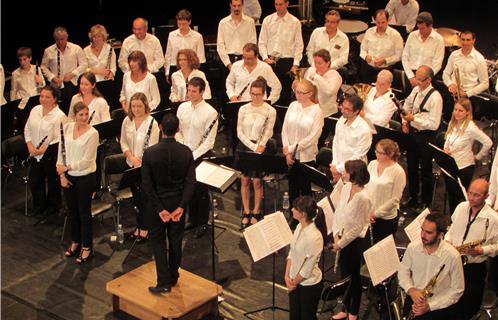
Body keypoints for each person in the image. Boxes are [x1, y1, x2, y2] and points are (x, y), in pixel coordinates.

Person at [141, 112, 196, 294]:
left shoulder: (149, 153)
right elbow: (190, 182)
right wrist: (181, 206)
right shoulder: (186, 152)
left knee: (157, 242)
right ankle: (173, 276)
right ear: (178, 130)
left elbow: (147, 186)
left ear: (160, 128)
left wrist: (159, 209)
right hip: (178, 203)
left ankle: (163, 282)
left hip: (157, 205)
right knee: (175, 240)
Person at [445, 179, 498, 320]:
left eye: (476, 195)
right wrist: (447, 241)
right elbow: (451, 228)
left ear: (486, 196)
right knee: (450, 301)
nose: (471, 198)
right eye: (470, 193)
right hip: (454, 261)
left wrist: (482, 250)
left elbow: (497, 246)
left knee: (468, 306)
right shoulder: (461, 207)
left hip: (474, 268)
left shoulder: (493, 219)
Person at [398, 212, 465, 319]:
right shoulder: (412, 247)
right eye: (422, 230)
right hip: (414, 299)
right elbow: (403, 271)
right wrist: (411, 290)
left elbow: (457, 290)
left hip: (439, 306)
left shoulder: (453, 256)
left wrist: (430, 306)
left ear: (440, 235)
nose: (422, 235)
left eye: (428, 232)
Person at [57, 102, 99, 264]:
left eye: (86, 114)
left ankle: (87, 247)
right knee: (72, 211)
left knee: (84, 213)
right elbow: (61, 151)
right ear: (74, 115)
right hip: (67, 176)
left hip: (85, 177)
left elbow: (86, 161)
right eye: (80, 115)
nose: (84, 118)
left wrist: (66, 167)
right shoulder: (67, 128)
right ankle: (75, 242)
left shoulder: (93, 133)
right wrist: (62, 174)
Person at [176, 77, 218, 239]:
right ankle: (192, 219)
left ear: (202, 92)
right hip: (185, 152)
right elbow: (178, 130)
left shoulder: (210, 112)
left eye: (194, 91)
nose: (190, 93)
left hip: (200, 155)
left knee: (201, 191)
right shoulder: (182, 107)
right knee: (188, 190)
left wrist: (192, 155)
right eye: (189, 90)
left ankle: (202, 222)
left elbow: (209, 142)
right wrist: (183, 147)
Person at [331, 160, 372, 320]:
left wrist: (339, 244)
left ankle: (353, 313)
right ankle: (345, 308)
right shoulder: (346, 187)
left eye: (347, 171)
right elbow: (338, 212)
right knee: (344, 277)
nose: (344, 173)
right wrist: (335, 234)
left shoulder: (364, 198)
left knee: (353, 279)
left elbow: (356, 228)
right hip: (341, 237)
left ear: (354, 175)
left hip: (354, 243)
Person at [237, 78, 276, 228]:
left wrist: (261, 145)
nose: (255, 97)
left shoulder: (270, 111)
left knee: (257, 181)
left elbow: (268, 131)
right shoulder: (243, 109)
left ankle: (256, 210)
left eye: (258, 94)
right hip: (245, 146)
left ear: (264, 94)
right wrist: (252, 147)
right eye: (252, 94)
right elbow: (239, 132)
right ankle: (246, 211)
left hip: (261, 147)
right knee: (245, 179)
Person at [401, 65, 442, 209]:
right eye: (416, 78)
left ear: (429, 79)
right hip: (413, 133)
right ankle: (412, 196)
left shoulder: (436, 98)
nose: (416, 82)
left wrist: (414, 120)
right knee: (411, 167)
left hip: (426, 136)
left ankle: (426, 201)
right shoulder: (416, 90)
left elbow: (434, 124)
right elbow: (406, 106)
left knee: (426, 170)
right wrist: (405, 122)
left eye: (420, 79)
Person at [120, 92, 160, 241]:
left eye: (139, 106)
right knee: (136, 199)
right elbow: (123, 142)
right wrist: (130, 157)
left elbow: (153, 146)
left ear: (145, 106)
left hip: (146, 167)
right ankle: (139, 225)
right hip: (131, 165)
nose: (136, 109)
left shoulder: (152, 123)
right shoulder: (127, 121)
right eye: (133, 106)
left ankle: (146, 228)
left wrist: (142, 161)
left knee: (146, 199)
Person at [24, 86, 67, 217]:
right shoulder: (35, 110)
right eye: (41, 96)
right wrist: (30, 146)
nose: (43, 99)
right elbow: (27, 129)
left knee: (53, 182)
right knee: (35, 181)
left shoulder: (60, 116)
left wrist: (43, 149)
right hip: (34, 152)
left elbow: (58, 137)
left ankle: (53, 208)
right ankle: (39, 207)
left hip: (50, 153)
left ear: (54, 99)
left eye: (47, 97)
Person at [443, 98, 492, 212]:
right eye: (455, 109)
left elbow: (488, 142)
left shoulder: (470, 127)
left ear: (467, 112)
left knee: (459, 198)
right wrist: (446, 148)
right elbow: (448, 138)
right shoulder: (452, 123)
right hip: (451, 164)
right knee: (451, 195)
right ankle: (452, 220)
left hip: (464, 166)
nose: (456, 113)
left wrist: (478, 157)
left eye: (460, 111)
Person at [282, 80, 323, 212]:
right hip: (290, 155)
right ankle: (294, 215)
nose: (297, 95)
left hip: (307, 155)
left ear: (310, 94)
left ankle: (306, 216)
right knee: (292, 186)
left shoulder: (317, 111)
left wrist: (292, 148)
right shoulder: (293, 105)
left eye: (301, 93)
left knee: (305, 189)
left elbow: (313, 136)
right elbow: (285, 129)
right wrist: (287, 151)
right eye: (296, 92)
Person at [285, 196, 327, 320]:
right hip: (294, 281)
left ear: (303, 214)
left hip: (308, 285)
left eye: (295, 208)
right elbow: (292, 252)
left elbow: (307, 269)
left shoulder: (314, 237)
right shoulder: (299, 226)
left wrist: (293, 283)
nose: (292, 209)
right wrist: (287, 276)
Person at [259, 0, 304, 106]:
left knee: (284, 94)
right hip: (269, 60)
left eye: (280, 4)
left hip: (286, 61)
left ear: (287, 4)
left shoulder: (295, 22)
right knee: (268, 92)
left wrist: (295, 64)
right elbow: (261, 42)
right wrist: (265, 58)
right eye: (276, 4)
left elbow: (299, 45)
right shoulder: (267, 20)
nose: (278, 7)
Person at [442, 31, 489, 119]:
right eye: (463, 40)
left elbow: (485, 83)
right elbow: (446, 73)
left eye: (468, 40)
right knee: (450, 122)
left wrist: (467, 94)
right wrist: (450, 84)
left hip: (469, 98)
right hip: (453, 95)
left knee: (465, 127)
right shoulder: (454, 55)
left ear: (473, 41)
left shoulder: (479, 59)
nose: (465, 43)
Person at [366, 139, 406, 243]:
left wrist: (375, 214)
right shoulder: (372, 164)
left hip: (386, 219)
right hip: (368, 213)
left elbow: (395, 199)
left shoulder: (398, 172)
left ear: (390, 154)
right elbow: (366, 186)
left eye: (381, 153)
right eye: (376, 151)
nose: (377, 155)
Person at [41, 27, 87, 113]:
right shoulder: (48, 51)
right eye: (57, 39)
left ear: (67, 37)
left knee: (73, 109)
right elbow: (43, 67)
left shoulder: (76, 48)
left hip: (72, 84)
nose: (60, 42)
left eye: (62, 39)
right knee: (57, 110)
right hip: (56, 85)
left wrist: (73, 73)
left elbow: (84, 64)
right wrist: (52, 77)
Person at [302, 49, 342, 148]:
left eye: (319, 63)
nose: (316, 65)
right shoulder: (311, 70)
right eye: (315, 62)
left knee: (318, 141)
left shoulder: (335, 75)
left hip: (326, 113)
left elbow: (329, 91)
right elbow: (304, 87)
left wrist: (317, 77)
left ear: (328, 63)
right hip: (309, 111)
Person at [330, 94, 372, 181]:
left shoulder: (364, 130)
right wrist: (335, 165)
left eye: (347, 109)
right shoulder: (341, 120)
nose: (343, 111)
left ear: (356, 111)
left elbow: (357, 156)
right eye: (343, 107)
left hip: (354, 171)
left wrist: (338, 169)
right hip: (338, 166)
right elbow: (336, 142)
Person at [359, 9, 404, 84]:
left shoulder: (396, 35)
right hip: (369, 69)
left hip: (386, 70)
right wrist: (366, 56)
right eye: (378, 22)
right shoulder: (369, 32)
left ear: (388, 20)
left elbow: (399, 56)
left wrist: (385, 60)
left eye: (383, 22)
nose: (380, 25)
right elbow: (362, 50)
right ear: (374, 21)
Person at [401, 12, 444, 88]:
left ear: (430, 26)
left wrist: (423, 79)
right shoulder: (412, 35)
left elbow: (437, 64)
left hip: (426, 78)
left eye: (422, 28)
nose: (420, 31)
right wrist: (411, 76)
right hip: (410, 75)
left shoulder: (438, 40)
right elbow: (405, 57)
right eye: (418, 28)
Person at [164, 10, 206, 81]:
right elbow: (168, 55)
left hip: (191, 68)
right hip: (175, 67)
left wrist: (197, 73)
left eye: (183, 24)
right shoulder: (172, 35)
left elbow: (200, 58)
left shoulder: (197, 37)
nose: (181, 26)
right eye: (179, 24)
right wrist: (167, 72)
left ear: (189, 22)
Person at [217, 0, 257, 70]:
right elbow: (220, 46)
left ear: (242, 5)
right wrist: (228, 64)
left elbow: (252, 43)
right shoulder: (223, 23)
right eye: (234, 6)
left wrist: (245, 60)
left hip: (245, 59)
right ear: (230, 5)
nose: (236, 8)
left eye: (239, 5)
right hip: (227, 60)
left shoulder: (250, 22)